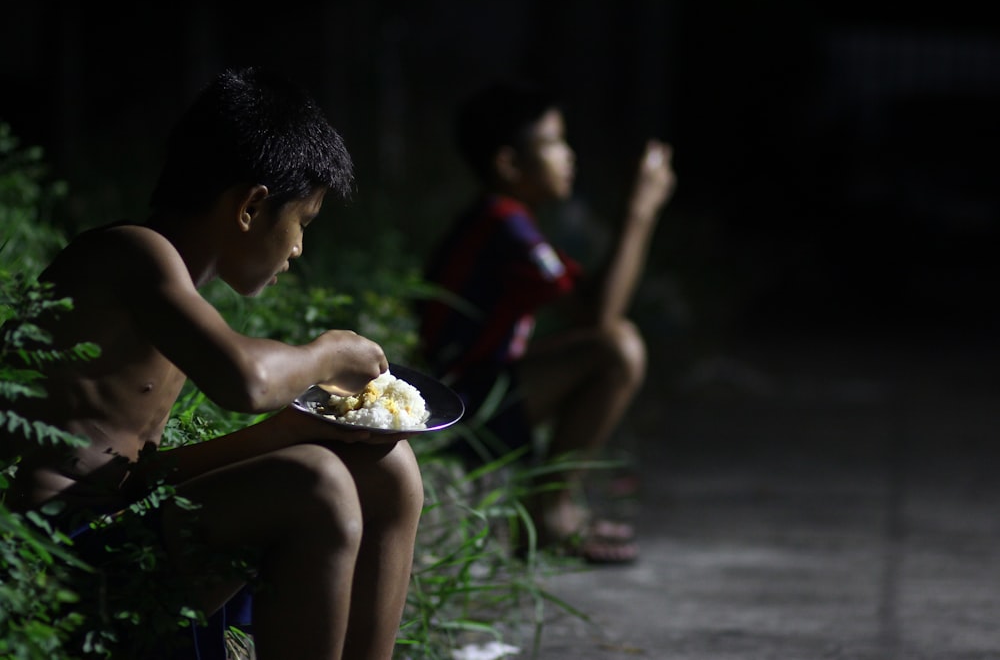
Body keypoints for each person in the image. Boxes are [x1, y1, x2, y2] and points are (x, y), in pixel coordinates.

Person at [0, 66, 423, 660]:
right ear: (251, 206)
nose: (299, 249)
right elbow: (246, 380)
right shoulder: (132, 256)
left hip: (122, 522)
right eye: (302, 224)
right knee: (318, 484)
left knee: (389, 465)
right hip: (57, 558)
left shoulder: (174, 294)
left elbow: (135, 479)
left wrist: (287, 433)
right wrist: (331, 352)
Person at [417, 80, 675, 564]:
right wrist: (640, 212)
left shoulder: (505, 219)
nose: (568, 156)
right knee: (618, 346)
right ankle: (549, 513)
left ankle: (554, 506)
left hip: (470, 386)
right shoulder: (506, 225)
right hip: (462, 409)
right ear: (509, 163)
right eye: (554, 143)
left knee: (613, 340)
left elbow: (585, 307)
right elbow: (600, 315)